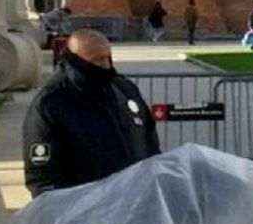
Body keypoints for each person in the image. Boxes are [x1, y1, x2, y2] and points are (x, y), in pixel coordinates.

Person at [23, 29, 160, 197]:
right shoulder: (51, 103)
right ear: (75, 60)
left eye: (107, 58)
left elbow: (150, 141)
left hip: (134, 201)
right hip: (85, 208)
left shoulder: (124, 89)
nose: (105, 66)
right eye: (96, 60)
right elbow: (42, 176)